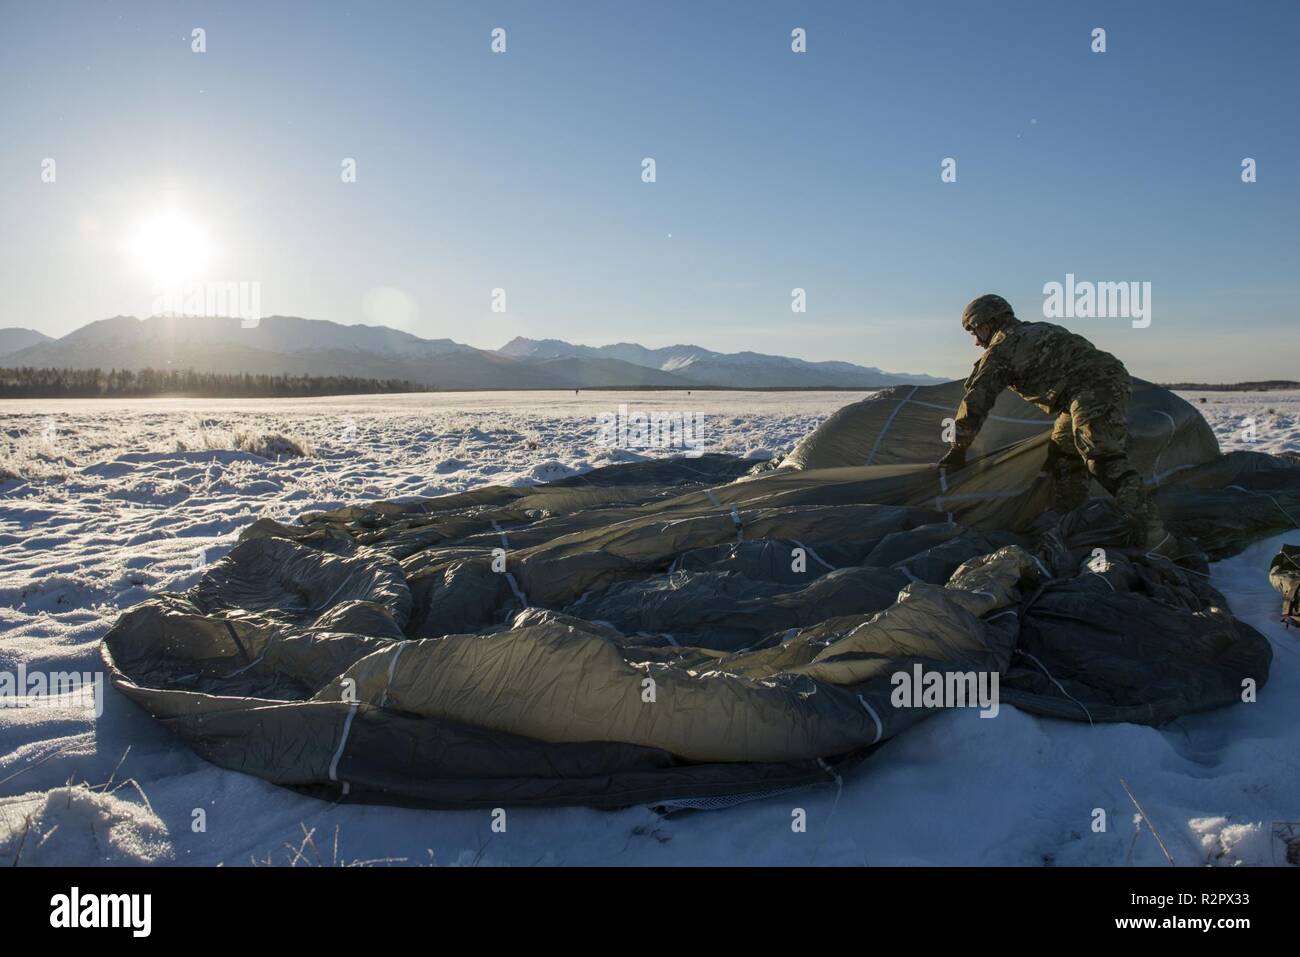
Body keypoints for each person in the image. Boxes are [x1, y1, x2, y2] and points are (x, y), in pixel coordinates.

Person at [937, 293, 1154, 531]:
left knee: (1102, 457)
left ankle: (1152, 532)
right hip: (1091, 387)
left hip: (1091, 389)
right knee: (1063, 453)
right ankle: (1069, 518)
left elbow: (976, 401)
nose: (976, 342)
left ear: (985, 325)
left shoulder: (1001, 351)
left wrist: (958, 449)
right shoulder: (1041, 329)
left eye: (974, 333)